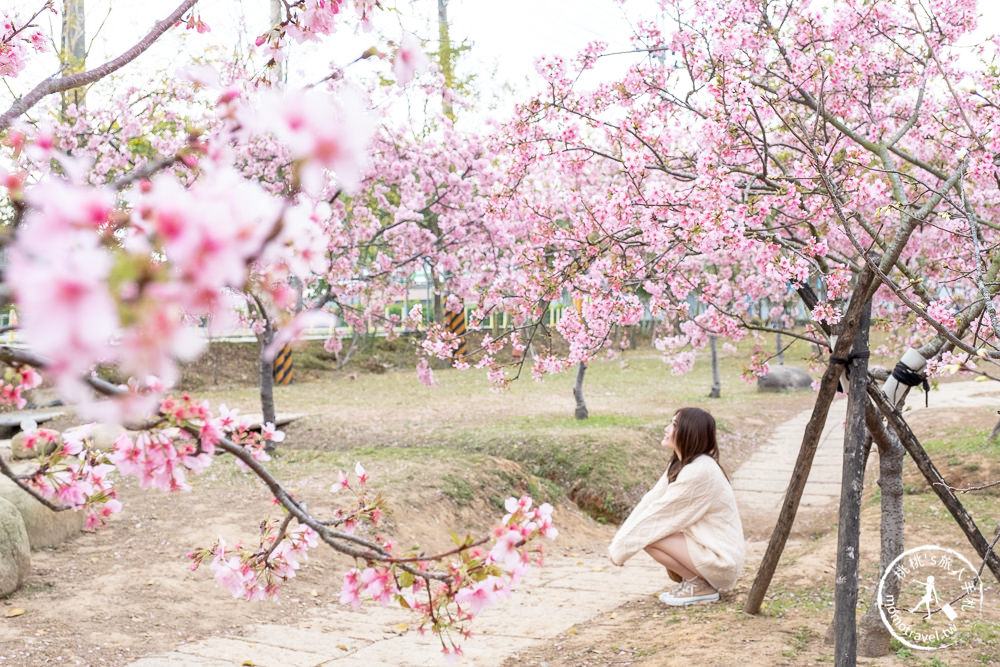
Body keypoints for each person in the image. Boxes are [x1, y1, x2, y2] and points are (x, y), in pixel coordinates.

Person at [608, 407, 744, 606]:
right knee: (647, 532)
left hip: (721, 559)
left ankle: (700, 586)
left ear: (689, 432)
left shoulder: (700, 471)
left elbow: (660, 515)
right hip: (708, 549)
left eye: (673, 425)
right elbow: (651, 502)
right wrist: (619, 543)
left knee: (650, 534)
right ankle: (697, 583)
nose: (666, 429)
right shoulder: (683, 465)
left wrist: (621, 549)